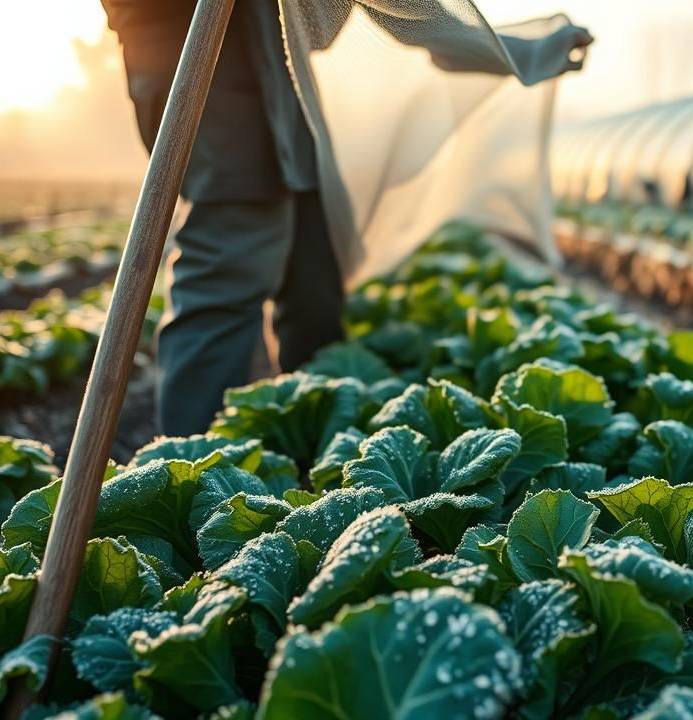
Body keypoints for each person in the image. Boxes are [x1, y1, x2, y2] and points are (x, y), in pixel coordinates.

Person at [100, 0, 592, 436]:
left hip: (277, 54)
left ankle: (311, 429)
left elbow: (404, 9)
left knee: (315, 261)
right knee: (236, 244)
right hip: (193, 48)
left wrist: (510, 51)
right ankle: (195, 472)